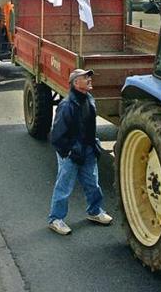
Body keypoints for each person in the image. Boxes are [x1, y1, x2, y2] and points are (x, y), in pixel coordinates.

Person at [47, 69, 112, 235]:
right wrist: (68, 152)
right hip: (71, 153)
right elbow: (57, 135)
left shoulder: (89, 99)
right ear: (76, 83)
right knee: (64, 187)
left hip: (88, 150)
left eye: (89, 77)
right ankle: (55, 219)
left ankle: (95, 211)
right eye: (85, 77)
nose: (89, 79)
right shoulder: (67, 105)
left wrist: (93, 145)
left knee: (93, 183)